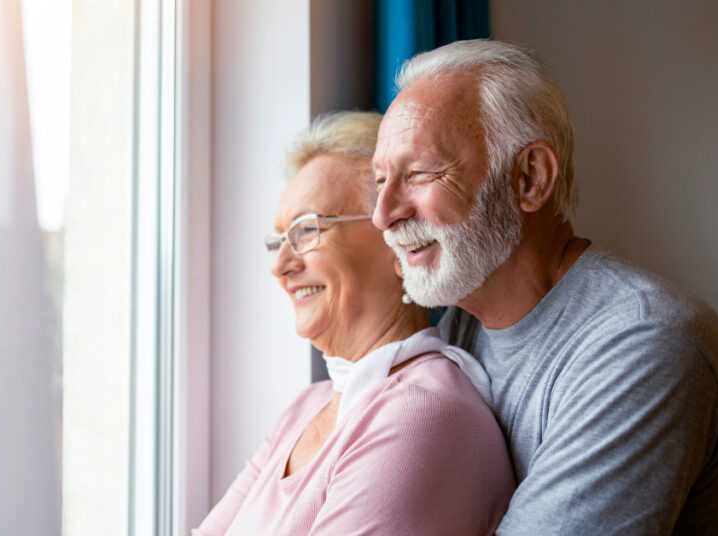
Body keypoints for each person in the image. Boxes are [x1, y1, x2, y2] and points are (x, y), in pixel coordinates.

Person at [372, 39, 718, 535]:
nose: (384, 214)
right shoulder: (458, 331)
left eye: (419, 173)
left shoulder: (644, 343)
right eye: (379, 182)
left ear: (529, 178)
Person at [194, 111, 514, 535]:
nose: (281, 265)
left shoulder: (422, 414)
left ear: (400, 241)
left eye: (307, 230)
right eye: (277, 240)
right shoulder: (305, 408)